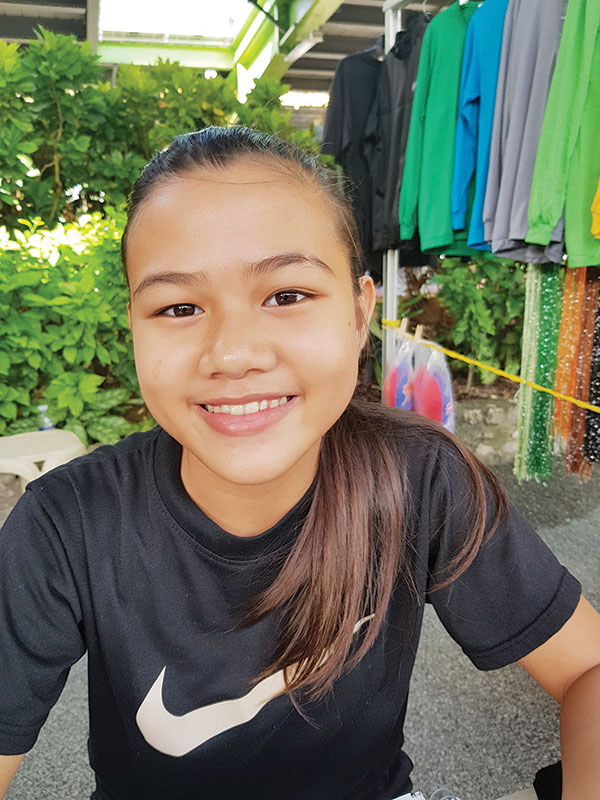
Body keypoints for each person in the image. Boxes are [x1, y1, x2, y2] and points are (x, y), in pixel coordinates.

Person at [0, 126, 599, 800]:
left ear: (359, 313)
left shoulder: (422, 480)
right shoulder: (69, 522)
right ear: (134, 328)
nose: (234, 354)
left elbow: (588, 669)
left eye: (286, 296)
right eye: (179, 307)